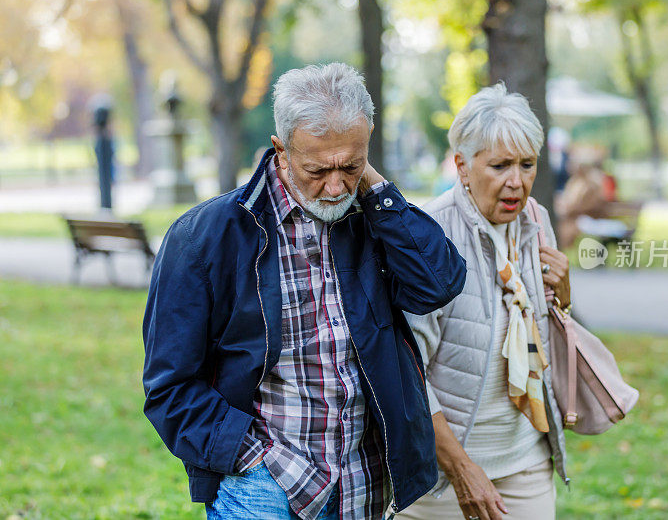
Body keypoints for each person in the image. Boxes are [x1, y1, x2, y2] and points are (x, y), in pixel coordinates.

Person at [142, 63, 467, 520]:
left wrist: (375, 188)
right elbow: (169, 387)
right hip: (265, 485)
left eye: (350, 165)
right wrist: (250, 459)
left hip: (365, 484)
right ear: (281, 149)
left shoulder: (373, 215)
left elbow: (438, 283)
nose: (335, 187)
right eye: (317, 168)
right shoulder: (204, 237)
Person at [397, 83, 571, 520]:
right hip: (440, 475)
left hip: (524, 458)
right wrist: (460, 468)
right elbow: (406, 372)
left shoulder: (535, 221)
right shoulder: (429, 235)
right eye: (500, 165)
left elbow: (540, 331)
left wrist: (562, 296)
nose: (517, 181)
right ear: (462, 166)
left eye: (527, 164)